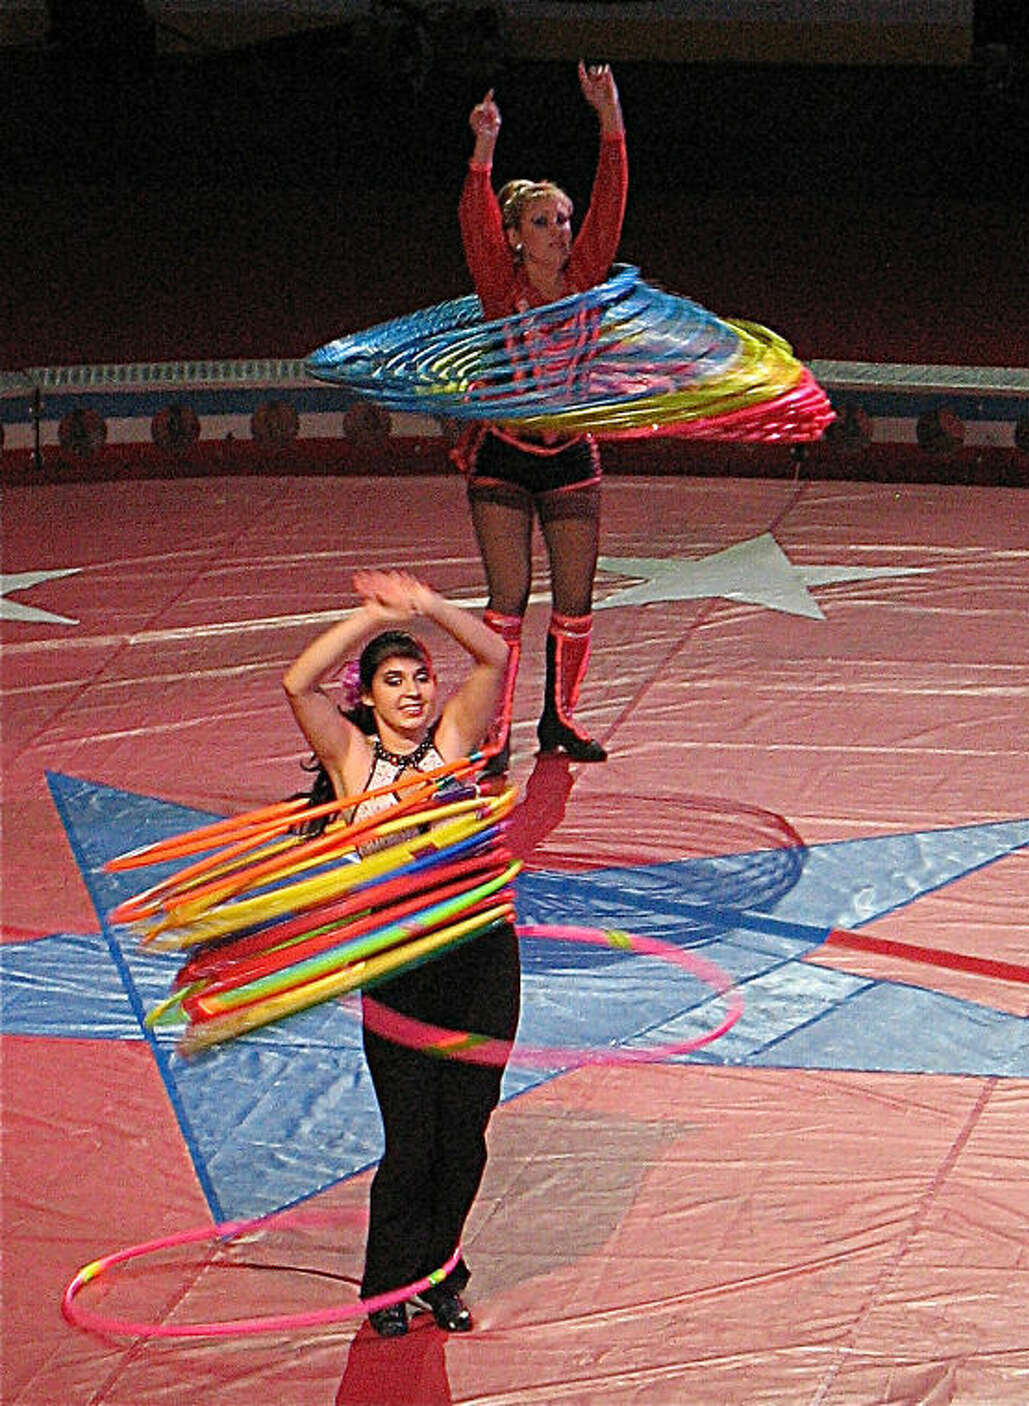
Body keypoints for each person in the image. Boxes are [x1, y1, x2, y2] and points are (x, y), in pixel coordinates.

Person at [282, 567, 521, 1337]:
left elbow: (494, 659)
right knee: (411, 1140)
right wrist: (373, 614)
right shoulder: (353, 764)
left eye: (421, 677)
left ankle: (441, 1274)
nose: (415, 691)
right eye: (395, 680)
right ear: (370, 696)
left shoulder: (454, 745)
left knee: (466, 1136)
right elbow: (298, 683)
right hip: (400, 968)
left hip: (481, 960)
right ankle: (388, 1287)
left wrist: (431, 607)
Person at [456, 60, 627, 773]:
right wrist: (484, 149)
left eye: (563, 219)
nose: (560, 229)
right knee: (508, 597)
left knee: (577, 599)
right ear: (517, 235)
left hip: (570, 457)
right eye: (543, 221)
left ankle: (558, 719)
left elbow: (611, 198)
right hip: (504, 454)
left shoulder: (587, 277)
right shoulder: (501, 286)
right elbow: (474, 218)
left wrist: (609, 116)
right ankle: (493, 735)